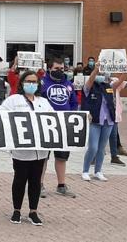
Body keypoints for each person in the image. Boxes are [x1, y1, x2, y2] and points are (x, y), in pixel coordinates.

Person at [0, 70, 50, 226]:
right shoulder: (14, 100)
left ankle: (33, 211)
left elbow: (54, 119)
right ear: (22, 83)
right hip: (21, 150)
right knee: (19, 180)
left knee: (36, 181)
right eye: (28, 81)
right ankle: (17, 211)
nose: (31, 84)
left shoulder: (43, 102)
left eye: (34, 82)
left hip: (40, 151)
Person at [81, 63, 127, 182]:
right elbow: (91, 79)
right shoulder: (89, 87)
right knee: (93, 147)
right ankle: (85, 171)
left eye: (103, 73)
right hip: (95, 121)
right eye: (99, 74)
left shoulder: (109, 86)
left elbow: (120, 81)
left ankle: (98, 171)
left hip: (108, 121)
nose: (101, 75)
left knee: (101, 148)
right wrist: (96, 69)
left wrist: (126, 69)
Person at [39, 58, 78, 198]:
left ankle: (61, 185)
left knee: (62, 157)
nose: (59, 71)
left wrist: (73, 117)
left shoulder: (68, 84)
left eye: (62, 69)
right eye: (56, 68)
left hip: (64, 125)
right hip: (46, 124)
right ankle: (39, 185)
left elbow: (74, 103)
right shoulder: (42, 83)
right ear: (49, 68)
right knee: (43, 157)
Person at [109, 76, 127, 165]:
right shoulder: (98, 80)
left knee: (113, 136)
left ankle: (114, 156)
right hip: (102, 113)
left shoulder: (114, 80)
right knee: (100, 136)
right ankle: (94, 156)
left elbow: (123, 84)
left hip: (114, 112)